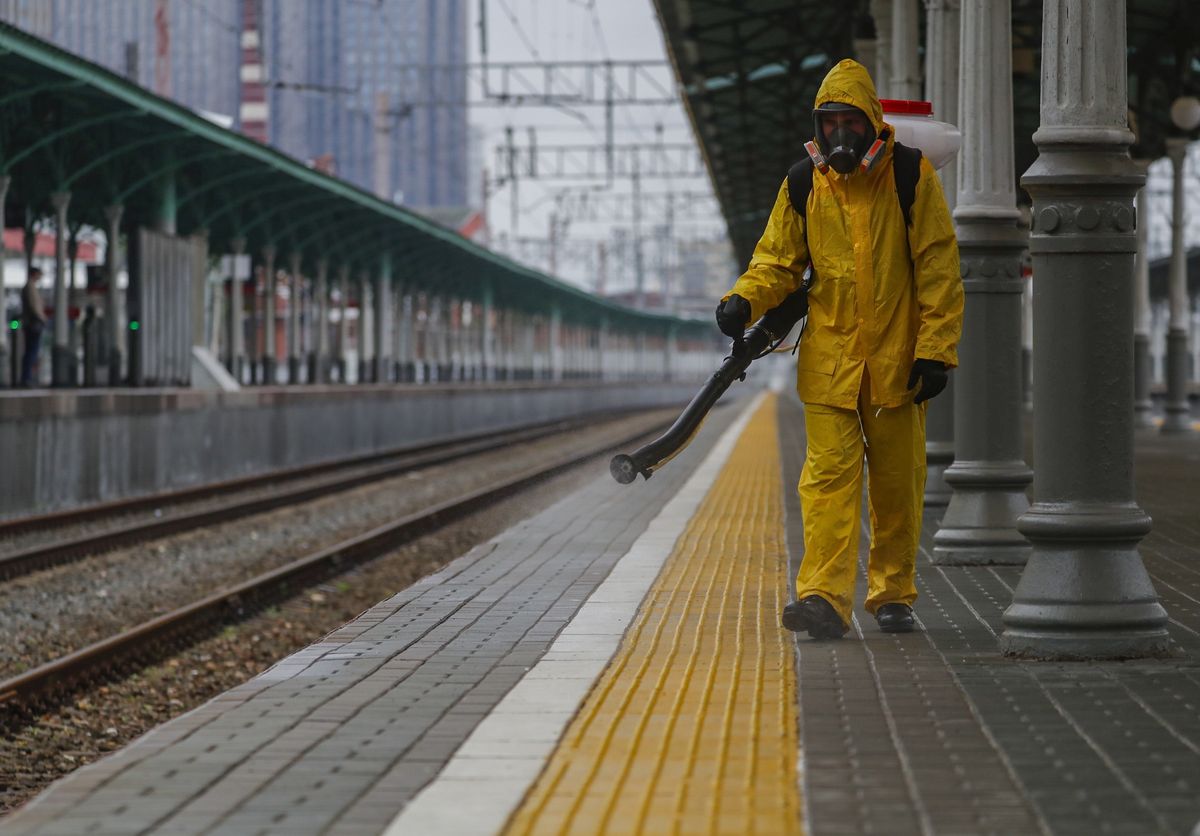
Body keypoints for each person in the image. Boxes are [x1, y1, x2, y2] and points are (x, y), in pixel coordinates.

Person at [715, 59, 962, 639]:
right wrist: (742, 300)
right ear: (819, 127)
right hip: (830, 366)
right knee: (826, 481)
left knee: (898, 487)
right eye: (830, 124)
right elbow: (776, 261)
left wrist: (936, 349)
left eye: (851, 121)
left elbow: (937, 267)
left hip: (897, 365)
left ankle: (892, 593)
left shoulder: (908, 174)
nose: (840, 135)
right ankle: (822, 597)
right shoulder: (805, 183)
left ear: (872, 121)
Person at [20, 266, 47, 386]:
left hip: (32, 323)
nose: (40, 277)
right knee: (31, 351)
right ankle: (27, 378)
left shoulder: (31, 287)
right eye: (39, 274)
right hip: (33, 324)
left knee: (32, 351)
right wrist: (42, 318)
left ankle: (28, 377)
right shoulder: (30, 287)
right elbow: (34, 306)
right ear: (34, 274)